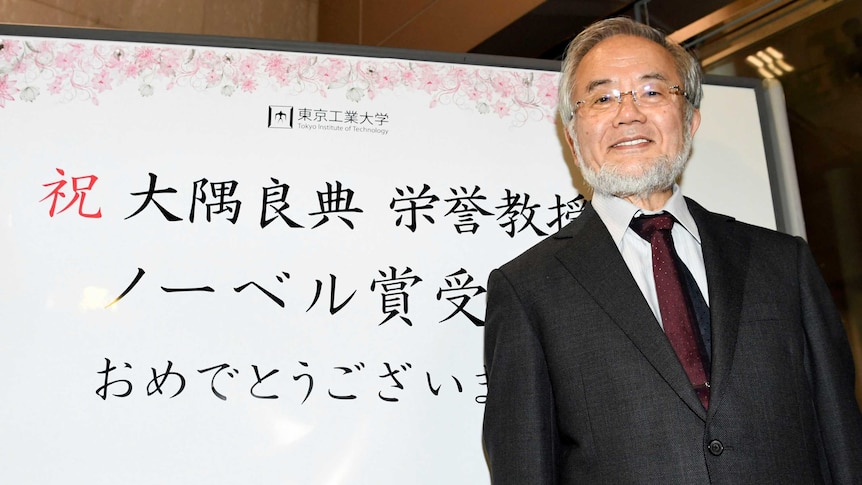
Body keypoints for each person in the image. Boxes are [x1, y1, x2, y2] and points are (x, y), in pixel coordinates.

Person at [482, 17, 862, 484]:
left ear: (690, 119)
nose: (629, 114)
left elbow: (844, 441)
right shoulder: (527, 290)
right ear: (572, 136)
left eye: (652, 92)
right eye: (602, 97)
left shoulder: (785, 263)